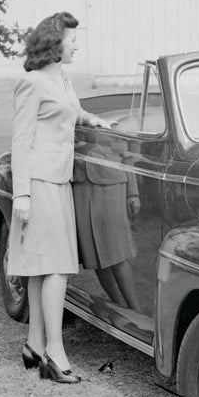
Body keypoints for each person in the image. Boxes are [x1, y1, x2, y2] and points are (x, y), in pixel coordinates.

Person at [8, 11, 108, 383]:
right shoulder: (31, 83)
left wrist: (92, 120)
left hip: (58, 180)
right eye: (73, 39)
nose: (77, 45)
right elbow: (21, 139)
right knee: (57, 267)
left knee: (41, 265)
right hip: (39, 182)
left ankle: (34, 344)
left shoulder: (61, 78)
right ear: (56, 42)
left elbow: (70, 111)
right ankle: (54, 351)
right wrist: (21, 193)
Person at [72, 132, 141, 312]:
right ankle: (120, 307)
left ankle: (137, 312)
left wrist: (132, 192)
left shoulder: (125, 114)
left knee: (117, 253)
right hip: (80, 184)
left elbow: (130, 152)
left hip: (112, 184)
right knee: (95, 255)